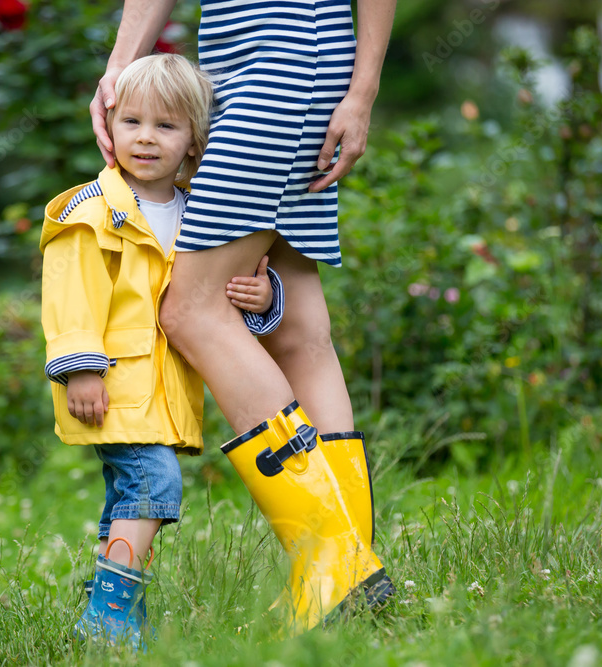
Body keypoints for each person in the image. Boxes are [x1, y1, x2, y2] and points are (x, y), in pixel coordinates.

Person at [90, 0, 397, 636]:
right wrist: (118, 70)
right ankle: (344, 573)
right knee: (298, 333)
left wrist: (363, 90)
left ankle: (335, 563)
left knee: (193, 308)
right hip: (267, 65)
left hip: (282, 69)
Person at [40, 53, 285, 650]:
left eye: (166, 126)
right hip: (114, 382)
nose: (145, 138)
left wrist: (261, 296)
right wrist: (80, 369)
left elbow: (211, 297)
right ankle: (108, 618)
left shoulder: (204, 213)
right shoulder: (93, 212)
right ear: (110, 126)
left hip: (165, 388)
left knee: (128, 498)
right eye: (132, 122)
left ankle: (123, 620)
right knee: (155, 483)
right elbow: (71, 292)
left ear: (194, 140)